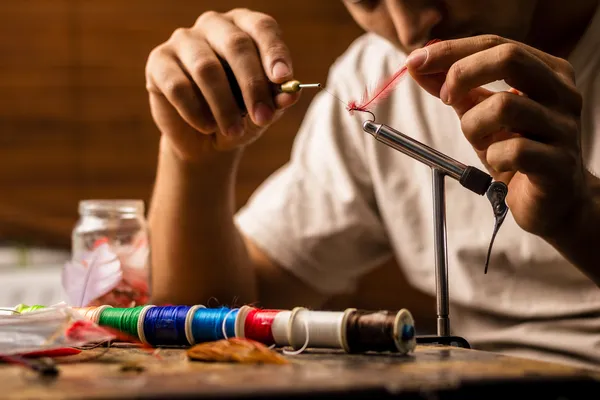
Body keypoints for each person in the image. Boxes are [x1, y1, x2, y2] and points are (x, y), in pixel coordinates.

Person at [144, 0, 600, 369]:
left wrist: (578, 216)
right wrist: (195, 161)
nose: (410, 27)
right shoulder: (377, 68)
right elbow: (225, 310)